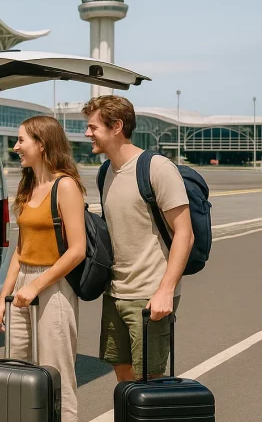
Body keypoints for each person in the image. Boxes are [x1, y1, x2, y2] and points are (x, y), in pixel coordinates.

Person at [82, 95, 193, 382]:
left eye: (93, 127)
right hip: (115, 291)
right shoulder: (106, 172)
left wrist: (165, 290)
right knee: (123, 375)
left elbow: (184, 233)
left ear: (116, 126)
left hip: (149, 293)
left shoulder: (156, 168)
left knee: (150, 381)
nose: (87, 133)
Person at [0, 115, 87, 422]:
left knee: (56, 369)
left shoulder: (66, 186)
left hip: (54, 283)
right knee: (17, 367)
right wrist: (4, 296)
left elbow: (77, 251)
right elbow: (21, 250)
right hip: (23, 281)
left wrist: (37, 284)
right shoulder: (27, 185)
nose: (16, 147)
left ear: (42, 144)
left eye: (22, 141)